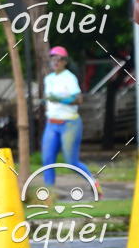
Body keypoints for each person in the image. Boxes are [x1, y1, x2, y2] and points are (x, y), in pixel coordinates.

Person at [41, 46, 100, 193]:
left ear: (64, 61)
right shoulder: (48, 79)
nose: (55, 62)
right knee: (47, 159)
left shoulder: (69, 78)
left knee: (71, 162)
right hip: (51, 123)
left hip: (69, 123)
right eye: (52, 59)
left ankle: (93, 182)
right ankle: (50, 193)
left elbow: (78, 99)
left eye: (59, 59)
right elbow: (48, 99)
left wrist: (60, 99)